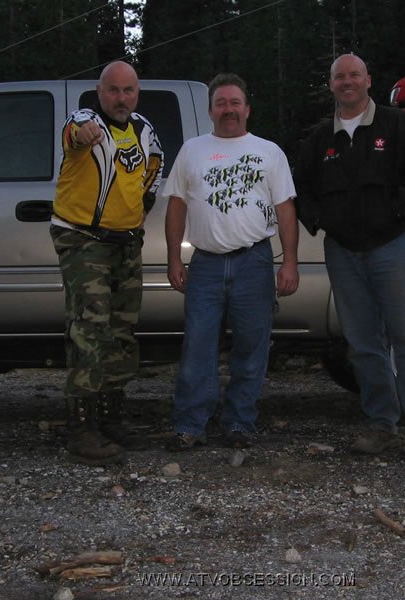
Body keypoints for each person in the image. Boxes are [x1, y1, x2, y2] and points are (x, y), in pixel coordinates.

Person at [294, 54, 405, 465]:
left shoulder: (399, 126)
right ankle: (381, 424)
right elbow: (301, 188)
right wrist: (319, 219)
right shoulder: (318, 139)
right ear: (331, 85)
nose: (347, 82)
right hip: (343, 251)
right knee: (363, 344)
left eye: (354, 75)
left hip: (394, 246)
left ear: (368, 80)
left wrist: (401, 208)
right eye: (339, 76)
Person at [163, 73, 299, 451]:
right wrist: (175, 258)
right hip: (205, 264)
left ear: (247, 109)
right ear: (210, 111)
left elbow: (285, 209)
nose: (228, 109)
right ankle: (191, 423)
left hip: (254, 262)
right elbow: (176, 206)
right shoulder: (192, 150)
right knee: (198, 348)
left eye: (234, 102)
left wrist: (290, 262)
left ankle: (240, 421)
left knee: (251, 348)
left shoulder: (269, 152)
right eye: (221, 103)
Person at [50, 61, 163, 465]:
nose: (121, 98)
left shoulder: (144, 132)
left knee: (122, 331)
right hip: (84, 240)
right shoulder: (86, 123)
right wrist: (83, 133)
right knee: (90, 327)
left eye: (128, 90)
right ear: (99, 92)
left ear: (137, 93)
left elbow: (151, 176)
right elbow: (75, 134)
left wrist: (135, 216)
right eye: (113, 90)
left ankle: (112, 419)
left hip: (126, 243)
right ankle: (82, 429)